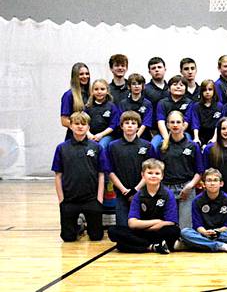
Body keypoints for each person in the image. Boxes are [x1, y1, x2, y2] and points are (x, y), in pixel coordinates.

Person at [52, 111, 108, 242]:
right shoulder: (62, 148)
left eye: (83, 124)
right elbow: (58, 176)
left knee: (96, 237)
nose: (80, 127)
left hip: (91, 199)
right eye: (76, 124)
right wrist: (61, 200)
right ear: (70, 126)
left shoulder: (96, 148)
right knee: (68, 238)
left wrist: (99, 199)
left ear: (88, 127)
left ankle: (84, 225)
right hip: (70, 200)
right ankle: (79, 227)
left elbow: (101, 174)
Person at [107, 159, 180, 254]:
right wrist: (156, 221)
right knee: (113, 231)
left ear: (162, 176)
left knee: (174, 231)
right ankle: (152, 246)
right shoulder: (138, 195)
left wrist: (146, 228)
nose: (153, 176)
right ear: (143, 175)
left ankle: (141, 245)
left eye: (157, 173)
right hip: (142, 232)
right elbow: (132, 223)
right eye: (150, 173)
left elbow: (170, 222)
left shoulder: (168, 194)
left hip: (158, 231)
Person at [175, 168, 227, 253]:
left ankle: (192, 244)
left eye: (215, 180)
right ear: (204, 184)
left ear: (221, 183)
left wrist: (217, 231)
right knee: (185, 232)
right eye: (209, 180)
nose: (212, 183)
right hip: (202, 233)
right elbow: (197, 224)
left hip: (220, 233)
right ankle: (223, 246)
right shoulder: (197, 201)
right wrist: (204, 232)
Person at [107, 111, 157, 227]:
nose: (130, 125)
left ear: (138, 127)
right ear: (121, 126)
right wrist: (124, 190)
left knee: (143, 226)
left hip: (143, 193)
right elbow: (110, 171)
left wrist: (136, 189)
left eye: (133, 123)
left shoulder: (147, 146)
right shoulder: (113, 146)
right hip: (122, 194)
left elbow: (151, 171)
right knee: (123, 228)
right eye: (127, 123)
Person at [158, 110, 204, 229]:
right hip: (166, 188)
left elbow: (199, 171)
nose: (175, 125)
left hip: (187, 188)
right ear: (167, 125)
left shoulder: (193, 146)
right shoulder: (162, 146)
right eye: (172, 122)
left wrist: (189, 186)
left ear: (184, 124)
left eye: (178, 122)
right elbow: (157, 171)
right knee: (168, 228)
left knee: (185, 229)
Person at [153, 75, 193, 148]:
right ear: (169, 88)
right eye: (175, 85)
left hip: (183, 133)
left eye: (181, 85)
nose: (178, 87)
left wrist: (176, 135)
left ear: (186, 89)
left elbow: (186, 122)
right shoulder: (162, 102)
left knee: (189, 146)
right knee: (153, 146)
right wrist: (167, 138)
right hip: (163, 133)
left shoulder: (189, 103)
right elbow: (160, 122)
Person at [84, 79, 120, 149]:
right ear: (92, 91)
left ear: (107, 91)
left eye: (102, 89)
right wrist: (88, 134)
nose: (99, 92)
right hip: (90, 135)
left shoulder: (112, 107)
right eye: (96, 89)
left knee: (101, 147)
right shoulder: (88, 107)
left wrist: (101, 135)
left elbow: (113, 125)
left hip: (106, 136)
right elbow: (84, 122)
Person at [117, 73, 153, 139]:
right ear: (129, 86)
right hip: (125, 136)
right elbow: (120, 122)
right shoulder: (123, 103)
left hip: (143, 136)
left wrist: (136, 137)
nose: (136, 86)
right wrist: (128, 137)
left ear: (143, 86)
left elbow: (146, 123)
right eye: (134, 84)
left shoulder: (147, 104)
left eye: (139, 84)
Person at [190, 80, 224, 146]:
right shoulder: (196, 106)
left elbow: (219, 124)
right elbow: (195, 123)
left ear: (214, 91)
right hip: (201, 134)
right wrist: (196, 138)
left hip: (215, 134)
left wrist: (214, 138)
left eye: (210, 89)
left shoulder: (220, 106)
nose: (207, 92)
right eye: (204, 90)